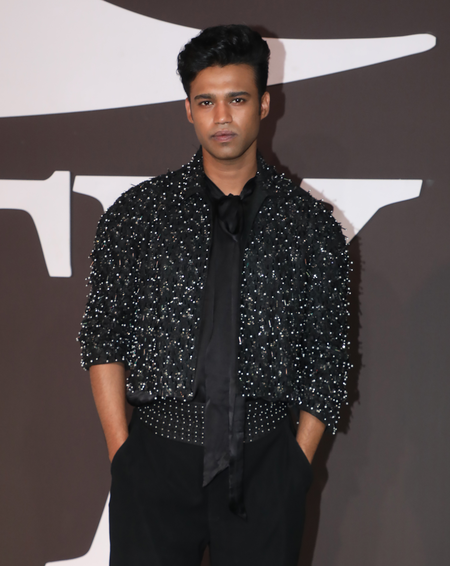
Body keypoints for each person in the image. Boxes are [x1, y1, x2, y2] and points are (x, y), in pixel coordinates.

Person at [79, 24, 350, 566]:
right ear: (188, 109)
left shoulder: (310, 226)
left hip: (266, 462)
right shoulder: (138, 215)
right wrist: (122, 454)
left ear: (264, 104)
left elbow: (329, 357)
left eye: (237, 99)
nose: (221, 117)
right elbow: (103, 336)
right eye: (206, 102)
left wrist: (296, 463)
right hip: (156, 461)